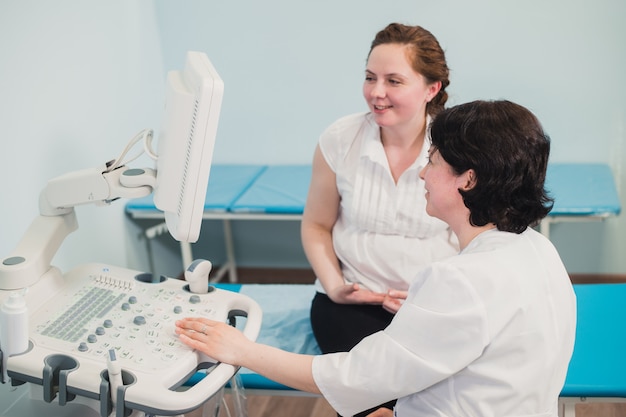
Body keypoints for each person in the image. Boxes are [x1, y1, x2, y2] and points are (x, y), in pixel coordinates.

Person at [175, 100, 577, 417]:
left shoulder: (460, 281)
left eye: (433, 161)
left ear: (468, 180)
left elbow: (356, 375)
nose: (422, 174)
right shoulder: (538, 249)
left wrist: (243, 350)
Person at [302, 23, 459, 415]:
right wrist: (335, 286)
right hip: (349, 304)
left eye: (394, 80)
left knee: (424, 401)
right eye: (370, 78)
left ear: (431, 89)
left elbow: (479, 240)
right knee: (372, 401)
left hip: (431, 307)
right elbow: (316, 225)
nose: (376, 92)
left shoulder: (459, 147)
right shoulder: (340, 139)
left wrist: (440, 299)